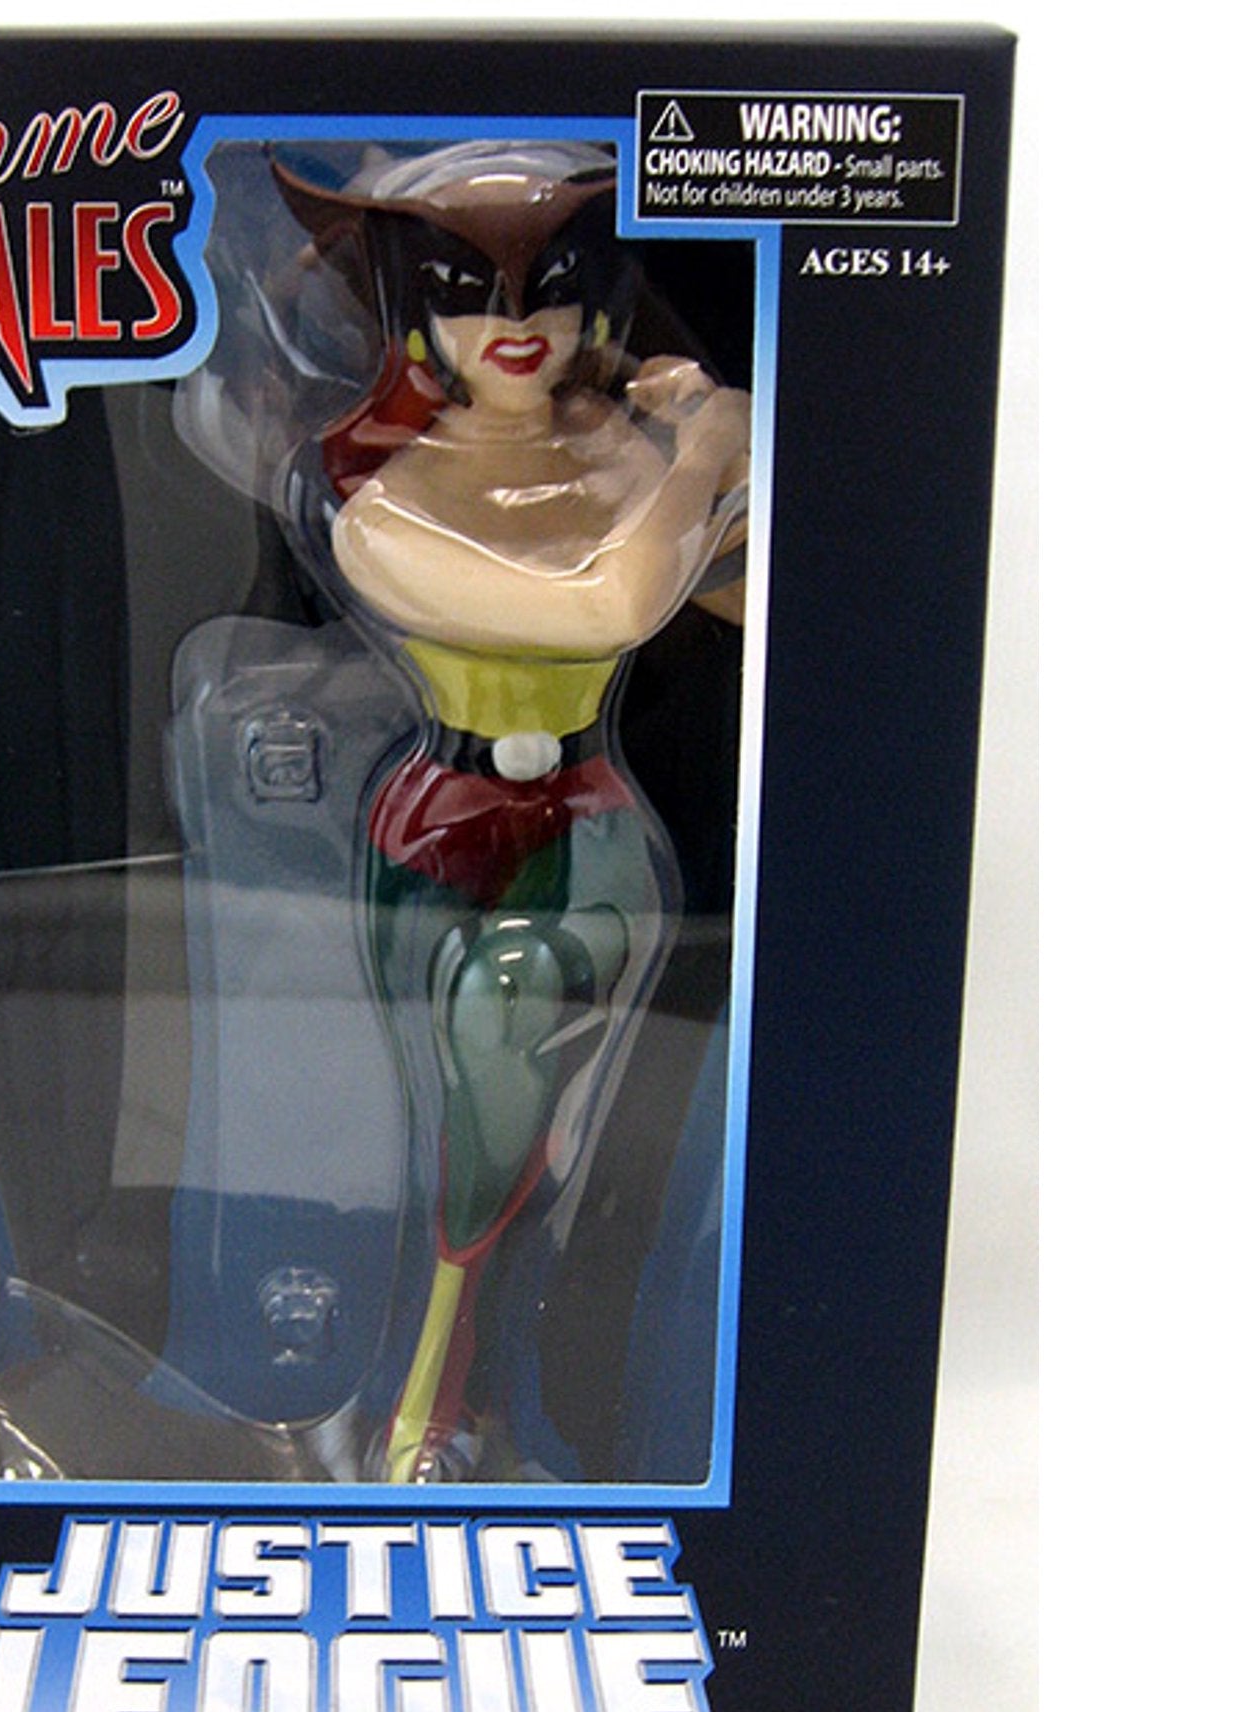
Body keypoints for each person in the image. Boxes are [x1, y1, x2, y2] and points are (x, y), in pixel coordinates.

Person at [275, 142, 751, 1480]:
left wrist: (715, 455)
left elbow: (744, 598)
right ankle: (436, 1401)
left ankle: (460, 1402)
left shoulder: (624, 464)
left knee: (526, 1066)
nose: (516, 326)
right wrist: (709, 448)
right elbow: (608, 602)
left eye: (548, 290)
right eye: (472, 295)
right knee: (459, 1128)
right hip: (438, 830)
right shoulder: (383, 497)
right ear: (416, 315)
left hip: (595, 826)